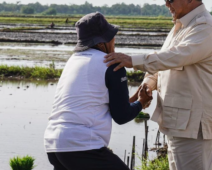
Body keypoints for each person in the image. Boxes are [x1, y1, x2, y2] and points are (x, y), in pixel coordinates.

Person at [104, 0, 212, 170]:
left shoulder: (204, 27)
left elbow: (176, 56)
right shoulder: (180, 27)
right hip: (179, 124)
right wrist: (147, 85)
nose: (166, 4)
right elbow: (164, 62)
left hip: (193, 128)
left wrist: (131, 60)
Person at [44, 12, 152, 170]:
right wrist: (141, 103)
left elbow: (105, 105)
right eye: (112, 37)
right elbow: (121, 116)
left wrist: (136, 98)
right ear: (102, 43)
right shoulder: (112, 63)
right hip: (82, 146)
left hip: (54, 144)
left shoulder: (74, 61)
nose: (114, 41)